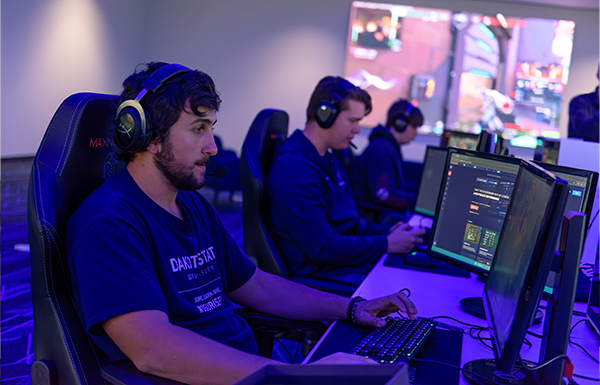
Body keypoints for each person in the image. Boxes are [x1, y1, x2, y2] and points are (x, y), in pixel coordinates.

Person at [67, 63, 419, 385]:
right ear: (149, 137)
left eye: (211, 129)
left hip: (251, 372)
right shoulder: (110, 223)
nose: (212, 147)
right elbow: (153, 350)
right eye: (198, 129)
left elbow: (258, 287)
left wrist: (353, 308)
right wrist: (296, 377)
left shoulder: (190, 203)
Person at [267, 77, 425, 285]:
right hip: (317, 276)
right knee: (405, 286)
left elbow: (348, 224)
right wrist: (386, 244)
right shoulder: (295, 169)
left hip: (338, 264)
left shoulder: (329, 160)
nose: (358, 129)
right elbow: (321, 248)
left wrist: (388, 232)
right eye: (353, 121)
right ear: (325, 115)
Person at [352, 99, 423, 223]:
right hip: (375, 218)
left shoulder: (388, 146)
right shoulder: (382, 150)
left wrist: (419, 195)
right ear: (400, 124)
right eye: (414, 127)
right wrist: (418, 202)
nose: (415, 133)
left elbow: (392, 186)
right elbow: (383, 194)